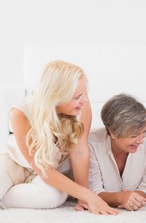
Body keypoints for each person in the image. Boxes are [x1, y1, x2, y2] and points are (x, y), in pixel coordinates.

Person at [0, 60, 117, 215]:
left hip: (49, 173)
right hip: (15, 165)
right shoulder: (20, 113)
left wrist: (83, 196)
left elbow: (79, 151)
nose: (83, 100)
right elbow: (42, 167)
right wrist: (87, 195)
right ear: (56, 97)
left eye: (83, 94)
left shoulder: (81, 106)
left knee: (55, 196)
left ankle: (5, 198)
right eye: (76, 97)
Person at [88, 93, 146, 211]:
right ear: (113, 132)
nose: (141, 140)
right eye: (134, 135)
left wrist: (132, 199)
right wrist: (121, 198)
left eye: (144, 131)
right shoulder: (92, 143)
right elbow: (94, 191)